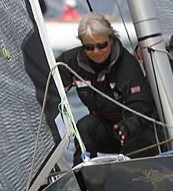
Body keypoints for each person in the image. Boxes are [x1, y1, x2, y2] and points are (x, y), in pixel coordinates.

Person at [56, 12, 159, 164]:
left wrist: (126, 128)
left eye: (101, 45)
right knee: (84, 126)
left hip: (136, 131)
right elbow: (49, 92)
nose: (96, 52)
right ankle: (84, 172)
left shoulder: (128, 66)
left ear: (111, 40)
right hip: (106, 130)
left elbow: (142, 109)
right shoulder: (70, 63)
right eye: (89, 47)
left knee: (136, 144)